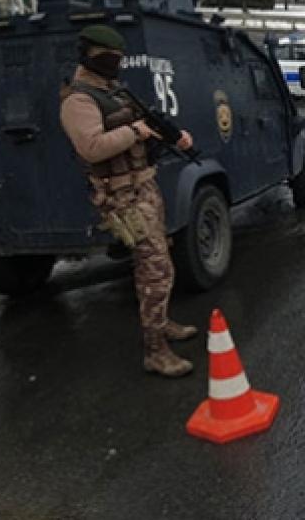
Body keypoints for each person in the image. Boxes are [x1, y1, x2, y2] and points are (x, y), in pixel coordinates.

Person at [59, 25, 198, 378]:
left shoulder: (114, 91)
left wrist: (174, 137)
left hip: (144, 189)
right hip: (121, 196)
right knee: (157, 269)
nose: (117, 64)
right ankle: (155, 351)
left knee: (154, 261)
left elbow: (147, 122)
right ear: (92, 55)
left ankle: (161, 322)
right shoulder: (79, 100)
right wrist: (135, 132)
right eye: (111, 57)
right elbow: (90, 147)